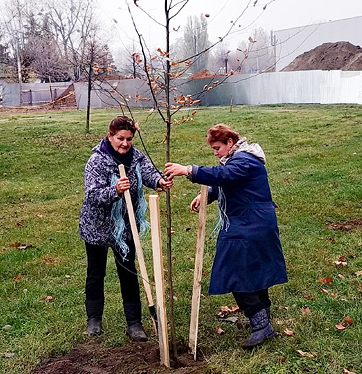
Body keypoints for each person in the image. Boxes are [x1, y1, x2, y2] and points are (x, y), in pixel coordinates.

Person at [164, 124, 287, 349]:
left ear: (230, 143)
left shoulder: (245, 160)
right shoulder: (240, 159)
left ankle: (262, 325)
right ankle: (262, 321)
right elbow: (229, 182)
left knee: (233, 273)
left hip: (251, 224)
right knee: (254, 271)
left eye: (217, 147)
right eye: (213, 149)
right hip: (252, 222)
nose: (215, 152)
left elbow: (226, 175)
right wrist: (207, 195)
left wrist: (189, 170)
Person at [79, 116, 172, 341]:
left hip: (126, 228)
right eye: (120, 138)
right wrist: (115, 191)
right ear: (110, 136)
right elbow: (92, 195)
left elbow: (149, 173)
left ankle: (134, 324)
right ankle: (94, 320)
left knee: (128, 272)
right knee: (95, 273)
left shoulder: (136, 157)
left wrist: (160, 181)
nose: (125, 143)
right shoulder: (97, 161)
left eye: (129, 139)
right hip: (97, 227)